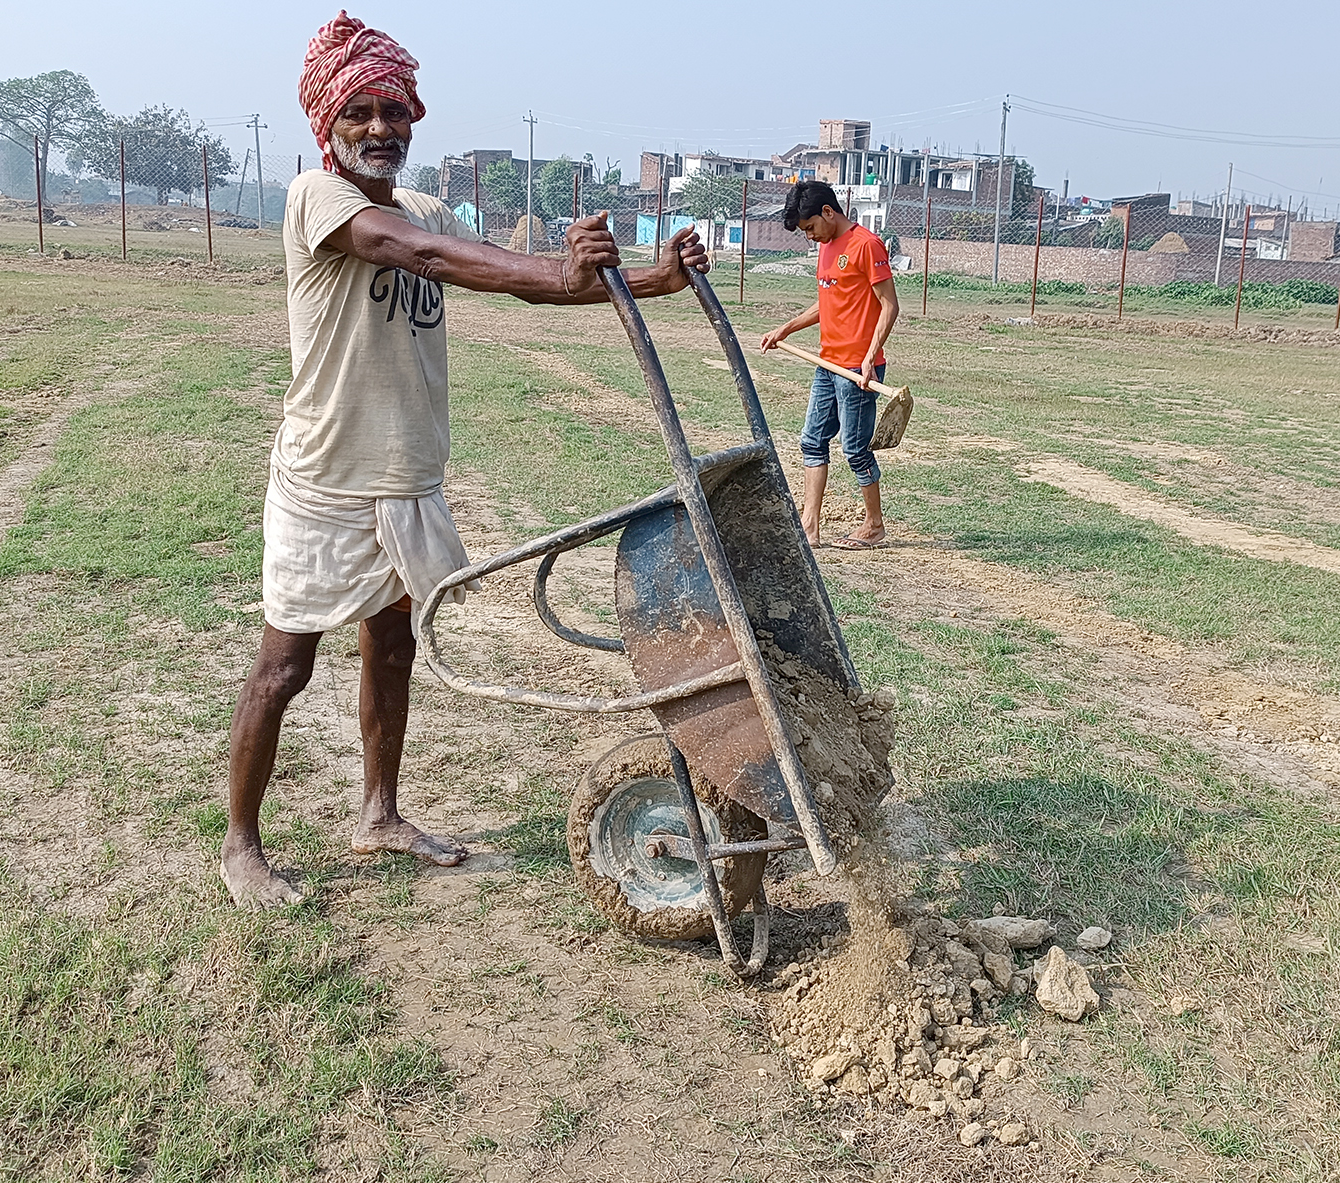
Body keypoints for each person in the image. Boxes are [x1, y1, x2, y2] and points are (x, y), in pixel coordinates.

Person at [221, 11, 708, 908]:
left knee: (393, 648)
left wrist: (649, 279)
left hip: (408, 481)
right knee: (284, 667)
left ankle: (379, 813)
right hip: (326, 483)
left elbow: (496, 269)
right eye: (360, 111)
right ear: (326, 125)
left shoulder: (427, 208)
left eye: (395, 112)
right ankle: (240, 848)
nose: (380, 129)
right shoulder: (319, 200)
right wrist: (562, 274)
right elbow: (419, 253)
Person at [758, 180, 900, 550]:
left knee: (855, 448)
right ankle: (809, 527)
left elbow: (889, 305)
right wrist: (784, 329)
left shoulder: (866, 245)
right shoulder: (825, 248)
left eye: (810, 228)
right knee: (813, 441)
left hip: (858, 369)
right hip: (828, 363)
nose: (810, 237)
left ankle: (874, 526)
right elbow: (828, 304)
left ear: (827, 212)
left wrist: (871, 355)